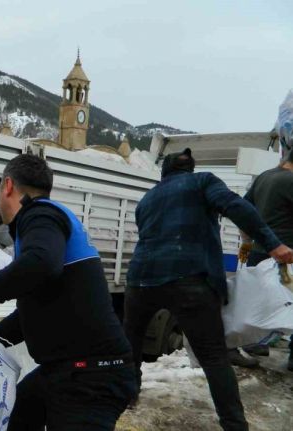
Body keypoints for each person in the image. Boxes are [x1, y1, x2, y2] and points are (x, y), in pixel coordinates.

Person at [0, 154, 137, 430]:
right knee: (21, 413)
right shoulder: (44, 222)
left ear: (7, 186)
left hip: (91, 376)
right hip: (67, 370)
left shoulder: (40, 214)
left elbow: (42, 263)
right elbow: (31, 312)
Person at [124, 148, 293, 431]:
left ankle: (127, 397)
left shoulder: (148, 199)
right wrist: (272, 243)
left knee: (132, 345)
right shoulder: (203, 181)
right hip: (189, 278)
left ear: (164, 172)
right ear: (189, 169)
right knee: (214, 357)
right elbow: (236, 206)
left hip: (140, 281)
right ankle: (234, 424)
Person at [237, 126, 293, 371]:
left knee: (260, 303)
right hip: (286, 256)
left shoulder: (264, 177)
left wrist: (247, 243)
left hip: (260, 253)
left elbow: (243, 213)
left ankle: (255, 343)